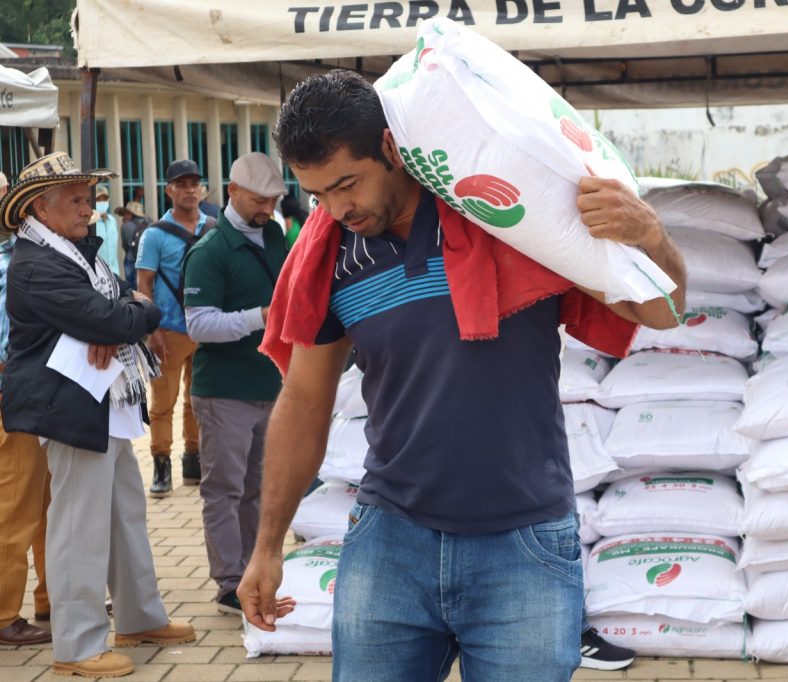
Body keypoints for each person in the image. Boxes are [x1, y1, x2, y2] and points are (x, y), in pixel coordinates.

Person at [238, 70, 685, 681]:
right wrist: (266, 547)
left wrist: (652, 236)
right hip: (390, 542)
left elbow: (663, 311)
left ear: (391, 149)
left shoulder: (509, 216)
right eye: (318, 195)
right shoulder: (331, 254)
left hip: (524, 544)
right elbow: (305, 399)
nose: (338, 209)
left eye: (347, 184)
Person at [0, 152, 195, 678]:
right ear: (40, 208)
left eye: (88, 198)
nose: (89, 208)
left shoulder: (69, 253)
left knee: (124, 513)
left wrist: (124, 315)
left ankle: (138, 617)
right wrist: (129, 315)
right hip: (70, 407)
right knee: (77, 526)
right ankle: (77, 646)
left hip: (99, 401)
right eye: (77, 200)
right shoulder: (38, 264)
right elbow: (113, 315)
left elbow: (119, 308)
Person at [183, 152, 287, 615]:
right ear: (232, 191)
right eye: (259, 200)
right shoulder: (210, 250)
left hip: (271, 385)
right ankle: (229, 581)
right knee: (224, 490)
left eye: (273, 200)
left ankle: (253, 570)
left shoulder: (275, 234)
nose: (267, 208)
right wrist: (261, 316)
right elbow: (199, 325)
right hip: (224, 390)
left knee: (259, 489)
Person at [135, 160, 212, 497]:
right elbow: (144, 284)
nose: (189, 190)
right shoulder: (154, 234)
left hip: (206, 330)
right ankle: (161, 464)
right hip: (168, 330)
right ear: (169, 190)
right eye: (182, 184)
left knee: (199, 400)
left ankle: (193, 460)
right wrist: (152, 329)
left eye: (194, 183)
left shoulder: (213, 227)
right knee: (163, 403)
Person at [0, 225, 51, 647]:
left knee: (45, 503)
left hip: (36, 393)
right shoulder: (12, 260)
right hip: (12, 394)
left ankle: (53, 596)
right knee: (15, 509)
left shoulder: (22, 254)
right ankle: (3, 615)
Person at [115, 201, 148, 288]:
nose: (123, 217)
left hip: (131, 260)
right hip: (147, 261)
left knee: (132, 289)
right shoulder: (150, 223)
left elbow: (125, 246)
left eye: (125, 214)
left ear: (130, 214)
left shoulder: (126, 226)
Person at [92, 184, 121, 276]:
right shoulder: (91, 222)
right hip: (97, 272)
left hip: (114, 271)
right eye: (98, 199)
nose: (102, 202)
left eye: (104, 199)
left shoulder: (112, 220)